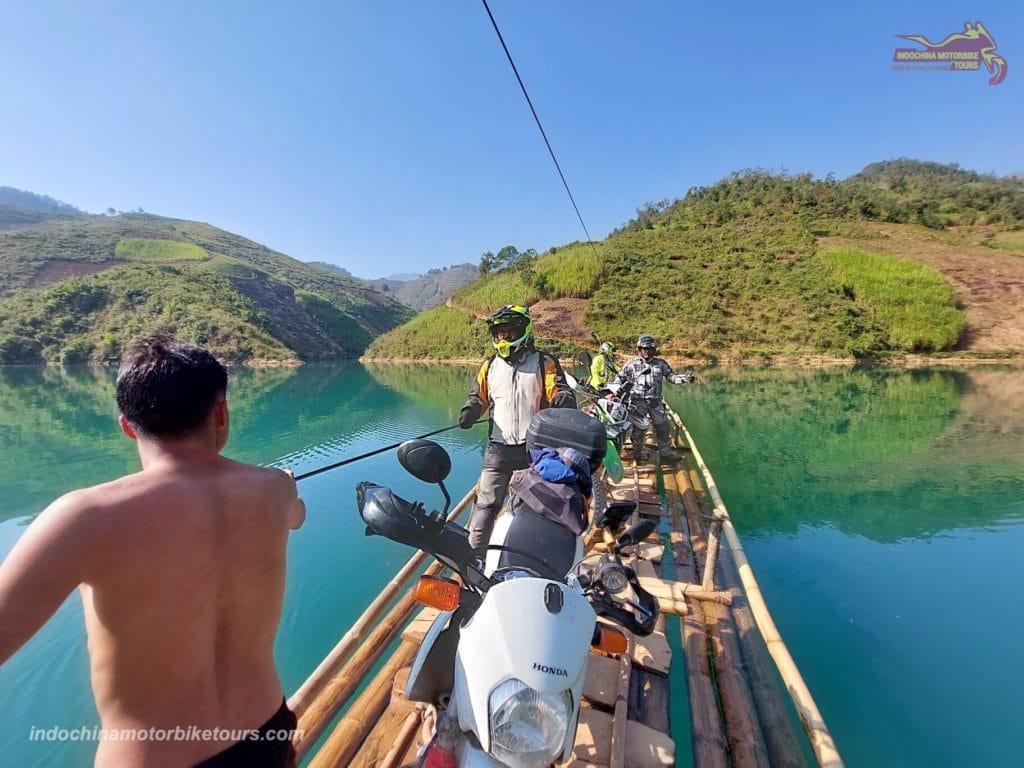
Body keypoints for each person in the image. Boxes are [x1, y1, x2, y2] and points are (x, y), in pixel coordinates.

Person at [0, 337, 306, 767]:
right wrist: (281, 482)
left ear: (127, 425)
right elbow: (296, 515)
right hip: (266, 732)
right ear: (220, 412)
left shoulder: (82, 517)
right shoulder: (275, 488)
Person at [459, 305, 576, 549]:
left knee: (533, 507)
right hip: (498, 449)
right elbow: (478, 398)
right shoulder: (489, 365)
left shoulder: (544, 362)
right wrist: (470, 411)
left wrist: (563, 398)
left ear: (524, 331)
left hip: (535, 449)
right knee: (486, 505)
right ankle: (475, 555)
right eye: (499, 334)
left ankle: (523, 555)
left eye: (509, 332)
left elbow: (560, 389)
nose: (503, 338)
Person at [609, 334, 682, 462]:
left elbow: (671, 377)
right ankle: (637, 453)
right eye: (643, 348)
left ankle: (666, 455)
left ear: (654, 350)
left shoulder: (661, 364)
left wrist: (683, 379)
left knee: (663, 427)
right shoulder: (631, 364)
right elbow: (619, 378)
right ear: (639, 349)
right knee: (638, 429)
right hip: (637, 401)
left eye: (649, 349)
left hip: (655, 402)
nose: (646, 351)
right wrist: (615, 390)